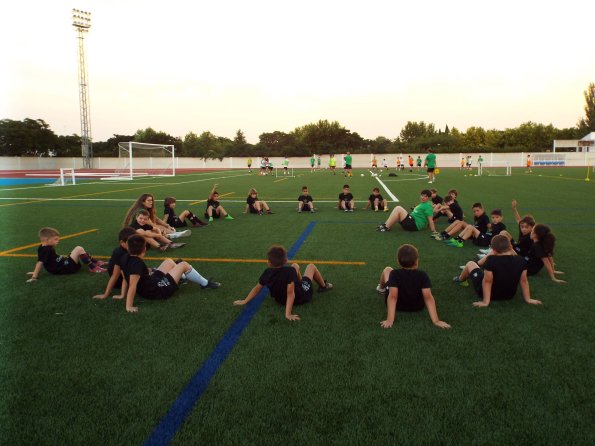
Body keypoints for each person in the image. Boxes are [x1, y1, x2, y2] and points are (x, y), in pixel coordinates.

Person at [121, 234, 221, 313]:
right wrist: (129, 306)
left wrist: (122, 294)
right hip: (156, 291)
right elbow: (132, 285)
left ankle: (181, 277)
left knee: (168, 261)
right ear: (145, 248)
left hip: (151, 283)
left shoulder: (125, 257)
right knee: (183, 264)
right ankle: (205, 283)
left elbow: (125, 277)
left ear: (128, 248)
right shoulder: (137, 263)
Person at [233, 245, 332, 321]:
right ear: (285, 260)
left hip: (280, 300)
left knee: (295, 265)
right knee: (311, 266)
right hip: (302, 296)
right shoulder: (289, 272)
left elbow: (257, 288)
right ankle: (323, 286)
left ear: (269, 263)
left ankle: (300, 282)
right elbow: (290, 293)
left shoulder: (267, 272)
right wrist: (287, 314)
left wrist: (245, 301)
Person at [453, 235, 542, 307]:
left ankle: (461, 279)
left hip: (488, 294)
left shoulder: (491, 260)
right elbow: (524, 281)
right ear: (510, 246)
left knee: (470, 264)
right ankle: (462, 279)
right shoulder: (521, 260)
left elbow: (487, 281)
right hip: (509, 295)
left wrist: (485, 302)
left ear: (493, 250)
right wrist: (528, 299)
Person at [377, 244, 450, 329]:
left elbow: (393, 296)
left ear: (398, 261)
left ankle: (381, 288)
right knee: (389, 272)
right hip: (417, 306)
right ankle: (381, 288)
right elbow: (428, 297)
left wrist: (390, 320)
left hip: (398, 306)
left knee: (387, 269)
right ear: (416, 261)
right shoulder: (423, 275)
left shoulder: (394, 274)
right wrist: (436, 321)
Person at [26, 227, 107, 282]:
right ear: (46, 239)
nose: (58, 241)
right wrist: (34, 276)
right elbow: (40, 262)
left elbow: (46, 260)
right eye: (55, 239)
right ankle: (93, 267)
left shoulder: (43, 247)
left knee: (78, 251)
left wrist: (34, 272)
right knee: (79, 249)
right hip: (64, 268)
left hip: (63, 264)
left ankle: (95, 263)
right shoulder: (46, 249)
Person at [93, 226, 137, 299]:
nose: (135, 243)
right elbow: (115, 275)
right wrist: (105, 294)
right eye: (131, 242)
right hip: (119, 281)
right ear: (122, 242)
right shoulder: (119, 253)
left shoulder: (129, 249)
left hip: (126, 275)